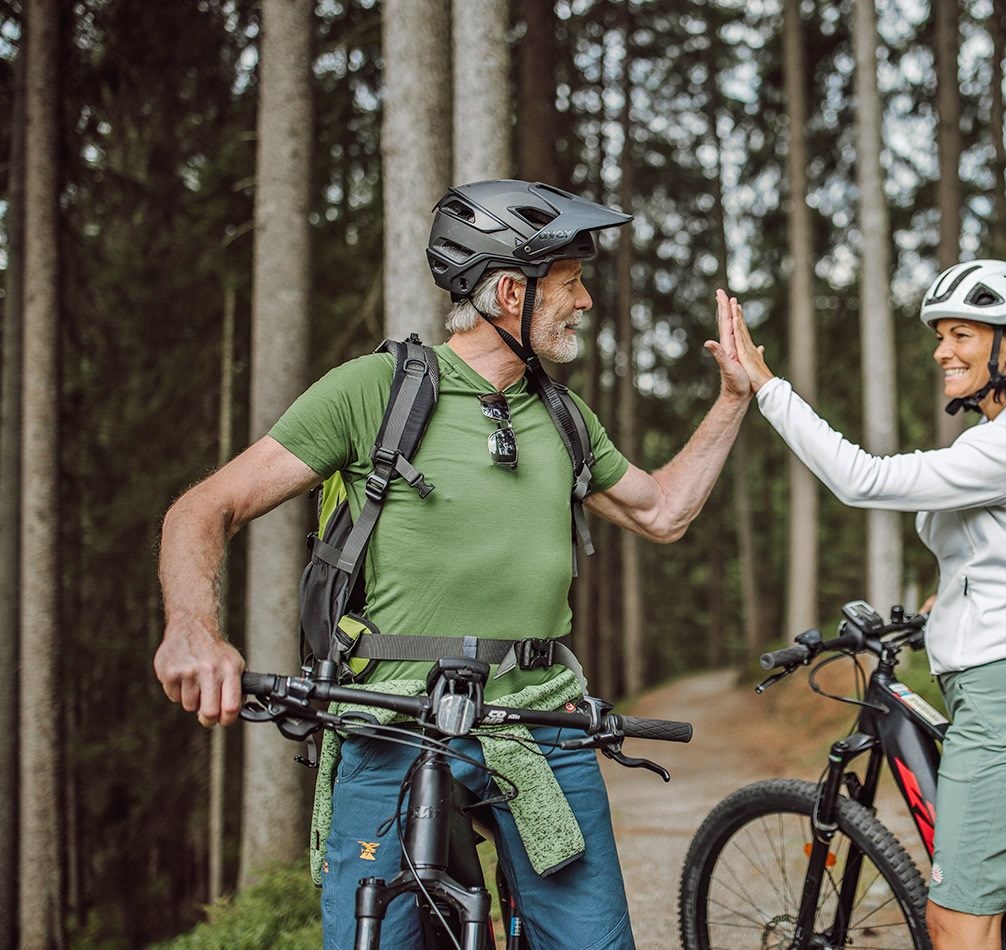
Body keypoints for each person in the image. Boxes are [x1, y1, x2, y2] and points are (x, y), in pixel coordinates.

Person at [153, 180, 752, 949]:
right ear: (510, 291)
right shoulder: (376, 391)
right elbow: (204, 509)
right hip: (395, 720)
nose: (587, 301)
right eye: (571, 282)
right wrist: (194, 629)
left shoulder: (563, 416)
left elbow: (663, 511)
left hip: (538, 719)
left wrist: (733, 399)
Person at [728, 259, 1006, 950]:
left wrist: (769, 389)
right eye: (941, 335)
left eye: (961, 334)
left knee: (955, 923)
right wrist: (942, 607)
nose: (942, 350)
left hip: (1005, 707)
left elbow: (861, 479)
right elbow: (998, 553)